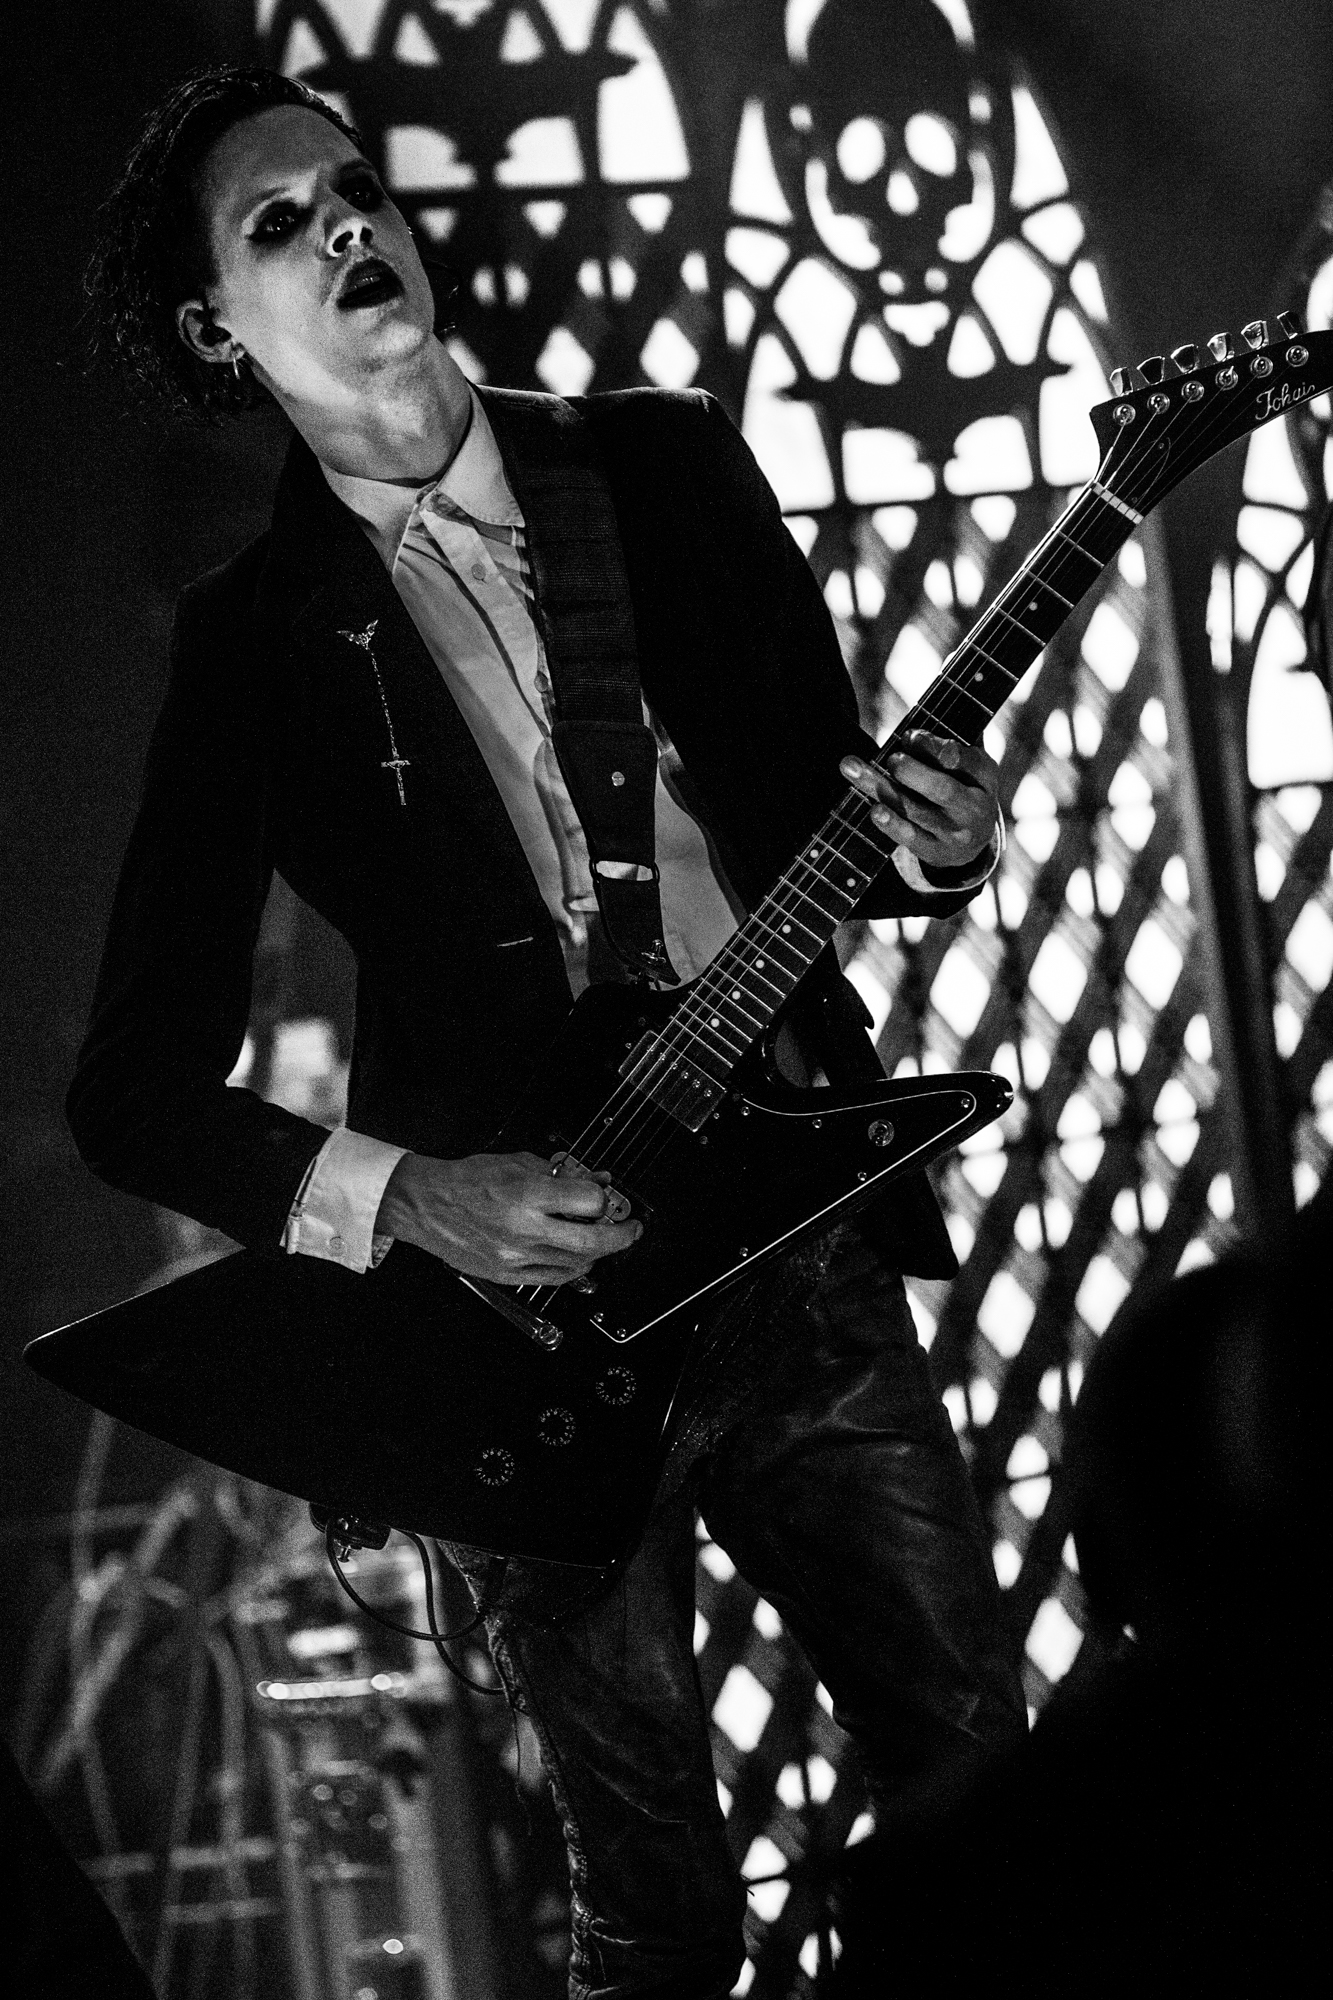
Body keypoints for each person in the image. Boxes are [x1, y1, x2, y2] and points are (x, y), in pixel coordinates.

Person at [70, 66, 1026, 1998]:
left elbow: (820, 808)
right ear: (216, 330)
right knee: (656, 1913)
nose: (347, 226)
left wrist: (942, 842)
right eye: (279, 225)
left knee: (989, 1798)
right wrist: (415, 1198)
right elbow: (131, 1097)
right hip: (528, 1330)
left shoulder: (660, 466)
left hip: (796, 1237)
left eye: (353, 188)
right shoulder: (253, 640)